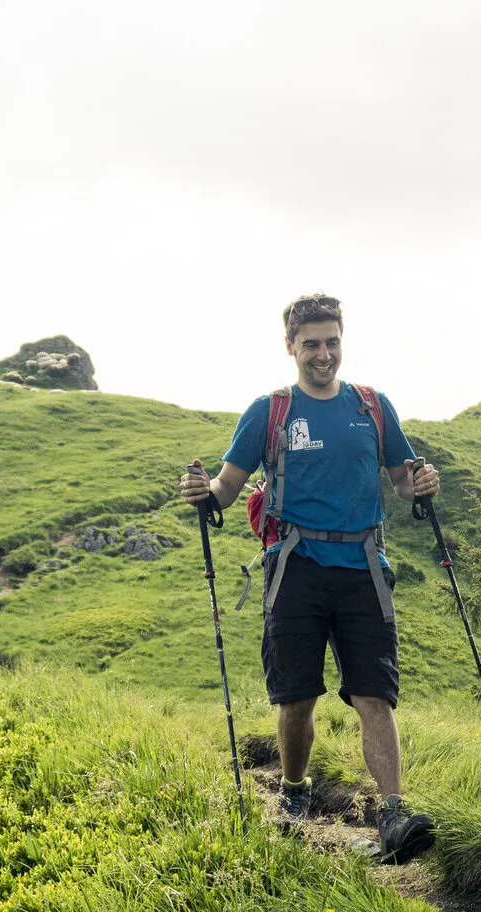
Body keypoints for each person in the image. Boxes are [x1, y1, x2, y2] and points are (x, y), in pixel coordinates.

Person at [180, 293, 439, 865]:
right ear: (291, 347)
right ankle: (294, 792)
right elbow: (226, 487)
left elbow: (401, 480)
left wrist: (420, 483)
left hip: (364, 567)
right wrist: (203, 492)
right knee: (296, 697)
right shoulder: (270, 410)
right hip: (294, 569)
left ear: (342, 342)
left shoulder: (372, 406)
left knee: (375, 693)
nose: (324, 354)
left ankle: (394, 814)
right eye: (312, 344)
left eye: (332, 342)